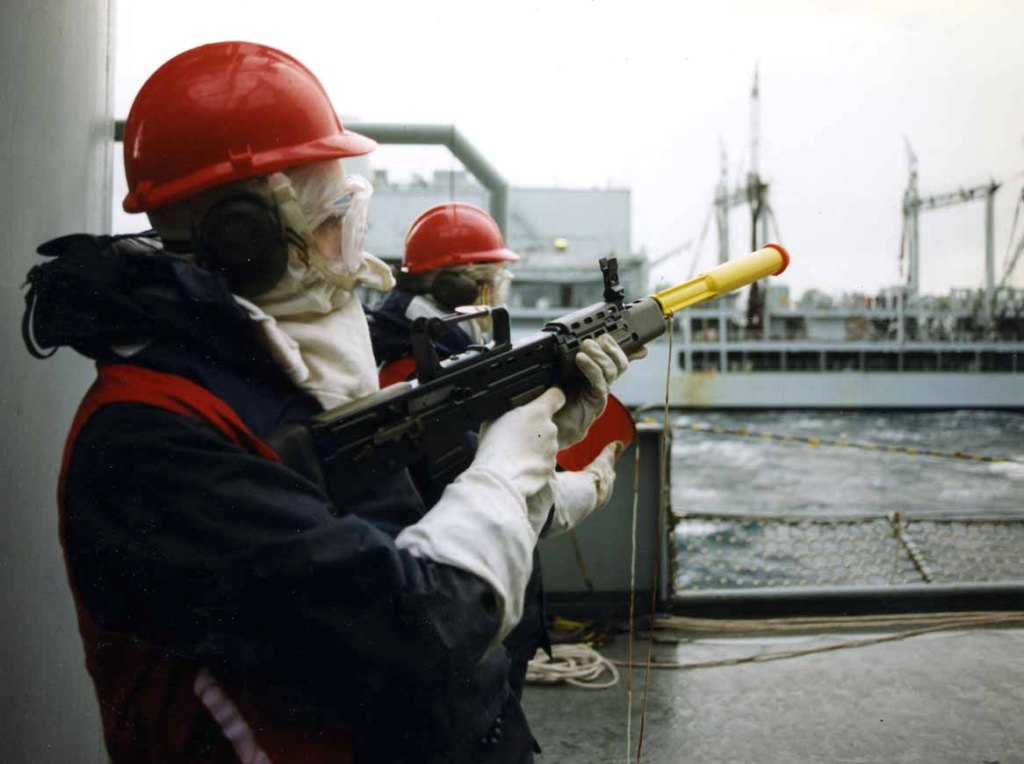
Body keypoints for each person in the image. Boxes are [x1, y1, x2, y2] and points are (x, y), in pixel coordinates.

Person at [22, 41, 633, 763]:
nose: (352, 249)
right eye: (333, 216)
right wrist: (507, 468)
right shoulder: (148, 440)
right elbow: (418, 627)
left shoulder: (270, 373)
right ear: (247, 236)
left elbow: (399, 526)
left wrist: (535, 442)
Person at [367, 202, 626, 698]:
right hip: (455, 612)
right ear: (467, 287)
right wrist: (589, 487)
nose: (501, 292)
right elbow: (487, 499)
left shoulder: (408, 353)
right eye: (496, 279)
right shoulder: (423, 374)